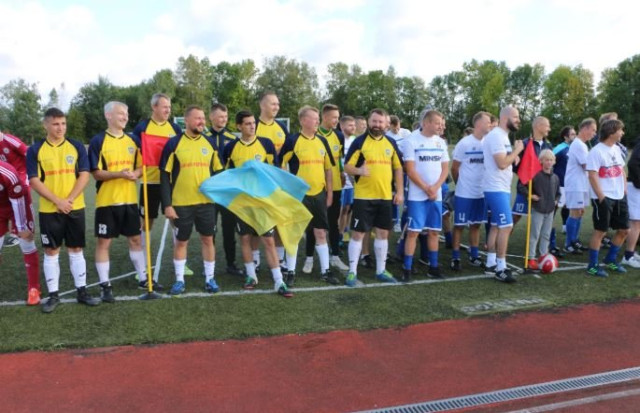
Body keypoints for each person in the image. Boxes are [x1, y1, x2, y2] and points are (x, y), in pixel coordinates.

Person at [27, 107, 100, 312]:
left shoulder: (76, 146)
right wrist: (57, 201)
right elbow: (34, 180)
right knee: (51, 251)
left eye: (63, 124)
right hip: (50, 210)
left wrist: (68, 200)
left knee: (76, 249)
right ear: (45, 125)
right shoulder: (35, 150)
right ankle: (53, 296)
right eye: (56, 124)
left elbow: (84, 175)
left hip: (75, 207)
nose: (60, 128)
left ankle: (82, 292)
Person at [222, 110, 292, 297]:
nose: (252, 126)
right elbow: (227, 174)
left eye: (253, 123)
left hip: (262, 201)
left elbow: (275, 171)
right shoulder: (231, 148)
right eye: (247, 123)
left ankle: (279, 280)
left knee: (268, 240)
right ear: (239, 126)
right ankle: (251, 276)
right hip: (242, 203)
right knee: (245, 238)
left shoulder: (266, 144)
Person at [160, 105, 224, 295]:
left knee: (208, 239)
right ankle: (179, 280)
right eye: (197, 118)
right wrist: (167, 205)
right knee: (181, 241)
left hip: (206, 203)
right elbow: (164, 175)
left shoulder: (210, 143)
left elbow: (219, 172)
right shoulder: (173, 144)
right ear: (186, 120)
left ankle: (210, 278)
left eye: (203, 118)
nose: (201, 122)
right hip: (181, 204)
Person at [89, 101, 147, 302]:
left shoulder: (133, 140)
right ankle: (105, 285)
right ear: (108, 115)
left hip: (129, 200)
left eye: (126, 114)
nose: (125, 117)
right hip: (107, 202)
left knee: (136, 240)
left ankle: (143, 279)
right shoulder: (98, 141)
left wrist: (135, 174)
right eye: (121, 113)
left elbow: (142, 167)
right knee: (104, 243)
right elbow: (96, 173)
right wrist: (119, 174)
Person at [344, 108, 404, 286]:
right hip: (363, 197)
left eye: (380, 122)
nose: (377, 125)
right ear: (369, 122)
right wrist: (359, 170)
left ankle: (380, 270)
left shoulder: (391, 143)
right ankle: (352, 272)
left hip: (385, 196)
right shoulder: (359, 142)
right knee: (358, 234)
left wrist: (400, 192)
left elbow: (398, 168)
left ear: (386, 124)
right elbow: (347, 166)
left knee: (383, 233)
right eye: (374, 121)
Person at [280, 106, 338, 286]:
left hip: (319, 194)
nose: (317, 121)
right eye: (314, 118)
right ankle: (290, 272)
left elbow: (328, 169)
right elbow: (280, 164)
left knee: (320, 232)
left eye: (318, 118)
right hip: (299, 195)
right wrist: (288, 187)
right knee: (295, 233)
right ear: (303, 121)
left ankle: (325, 271)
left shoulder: (322, 141)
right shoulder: (292, 141)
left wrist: (329, 193)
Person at [132, 93, 184, 283]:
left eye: (169, 107)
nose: (168, 110)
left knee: (176, 221)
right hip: (150, 183)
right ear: (154, 107)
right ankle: (144, 264)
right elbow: (135, 152)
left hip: (170, 183)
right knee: (146, 224)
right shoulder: (142, 128)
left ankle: (181, 261)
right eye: (164, 107)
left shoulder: (175, 128)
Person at [400, 110, 449, 282]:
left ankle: (433, 267)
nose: (440, 126)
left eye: (441, 123)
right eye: (437, 123)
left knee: (434, 231)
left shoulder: (440, 142)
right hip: (417, 196)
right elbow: (410, 170)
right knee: (413, 232)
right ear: (426, 123)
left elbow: (445, 169)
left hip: (436, 194)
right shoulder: (411, 140)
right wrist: (426, 188)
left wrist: (435, 188)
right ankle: (407, 268)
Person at [302, 104, 349, 274]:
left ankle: (335, 256)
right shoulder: (314, 135)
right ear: (325, 117)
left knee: (333, 223)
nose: (337, 120)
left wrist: (342, 173)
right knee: (313, 225)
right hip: (317, 189)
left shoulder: (339, 136)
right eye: (334, 117)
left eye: (338, 117)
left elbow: (339, 159)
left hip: (335, 187)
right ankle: (309, 258)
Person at [483, 106, 524, 283]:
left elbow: (504, 160)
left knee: (496, 226)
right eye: (516, 117)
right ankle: (501, 268)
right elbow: (501, 164)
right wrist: (517, 150)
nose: (518, 120)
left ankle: (491, 263)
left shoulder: (502, 136)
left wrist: (513, 156)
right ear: (505, 117)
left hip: (501, 187)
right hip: (496, 188)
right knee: (506, 226)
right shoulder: (497, 136)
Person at [586, 119, 629, 277]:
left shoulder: (616, 149)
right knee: (601, 231)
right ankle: (592, 266)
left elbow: (621, 170)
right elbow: (592, 175)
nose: (622, 133)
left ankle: (610, 259)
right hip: (604, 197)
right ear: (611, 133)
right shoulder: (596, 151)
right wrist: (601, 197)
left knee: (624, 230)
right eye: (620, 130)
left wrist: (624, 189)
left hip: (619, 196)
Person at [450, 111, 491, 271]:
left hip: (481, 193)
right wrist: (461, 185)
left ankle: (474, 256)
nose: (490, 125)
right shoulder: (464, 143)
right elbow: (454, 168)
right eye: (487, 122)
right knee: (459, 225)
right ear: (478, 124)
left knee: (475, 225)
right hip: (464, 193)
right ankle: (455, 257)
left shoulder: (488, 142)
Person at [255, 91, 289, 270]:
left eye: (278, 104)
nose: (276, 107)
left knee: (279, 222)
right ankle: (255, 260)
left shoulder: (282, 127)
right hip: (258, 185)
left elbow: (289, 154)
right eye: (272, 103)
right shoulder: (253, 126)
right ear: (262, 105)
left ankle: (280, 259)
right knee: (256, 223)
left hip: (279, 185)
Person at [207, 103, 242, 276]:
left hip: (228, 193)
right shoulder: (204, 137)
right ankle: (209, 266)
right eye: (220, 116)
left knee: (229, 230)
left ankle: (231, 264)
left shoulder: (232, 138)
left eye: (226, 117)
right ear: (211, 117)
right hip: (211, 192)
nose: (224, 120)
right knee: (210, 232)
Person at [0, 160, 40, 305]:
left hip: (18, 204)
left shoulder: (6, 173)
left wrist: (22, 227)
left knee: (26, 242)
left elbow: (18, 202)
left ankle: (34, 288)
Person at [521, 150, 560, 270]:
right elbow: (521, 186)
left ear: (554, 162)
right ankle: (531, 258)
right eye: (546, 160)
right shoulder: (535, 176)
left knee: (546, 234)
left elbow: (558, 193)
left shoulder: (555, 177)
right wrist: (530, 195)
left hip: (550, 211)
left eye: (551, 160)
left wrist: (556, 200)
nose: (549, 162)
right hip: (538, 209)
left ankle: (543, 255)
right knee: (535, 234)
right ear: (541, 161)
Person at [563, 118, 597, 254]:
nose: (594, 134)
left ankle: (575, 240)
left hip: (582, 184)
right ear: (584, 128)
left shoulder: (582, 144)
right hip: (575, 184)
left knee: (580, 212)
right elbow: (586, 166)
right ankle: (568, 244)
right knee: (575, 212)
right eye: (593, 130)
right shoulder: (578, 144)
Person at [0, 131, 28, 248]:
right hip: (5, 179)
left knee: (20, 204)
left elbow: (28, 153)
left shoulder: (10, 140)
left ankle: (19, 233)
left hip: (21, 177)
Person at [552, 126, 577, 235]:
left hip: (570, 184)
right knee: (555, 206)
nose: (575, 136)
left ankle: (565, 226)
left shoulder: (574, 148)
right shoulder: (559, 148)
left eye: (575, 134)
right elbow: (549, 162)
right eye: (572, 134)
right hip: (559, 184)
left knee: (567, 205)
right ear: (565, 137)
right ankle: (548, 226)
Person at [338, 116, 357, 244]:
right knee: (338, 210)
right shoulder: (337, 139)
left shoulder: (355, 141)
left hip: (351, 181)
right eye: (350, 125)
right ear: (342, 126)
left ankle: (342, 233)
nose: (353, 127)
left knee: (346, 209)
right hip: (339, 181)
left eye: (354, 125)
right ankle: (334, 236)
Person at [623, 137, 640, 268]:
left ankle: (631, 252)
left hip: (636, 187)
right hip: (635, 188)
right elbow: (633, 163)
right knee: (635, 222)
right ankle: (628, 256)